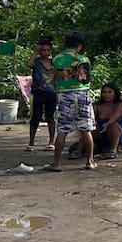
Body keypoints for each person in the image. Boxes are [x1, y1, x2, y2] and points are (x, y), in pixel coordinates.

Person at [46, 33, 96, 171]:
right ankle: (90, 161)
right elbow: (87, 79)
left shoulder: (57, 59)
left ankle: (56, 163)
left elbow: (53, 76)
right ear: (79, 46)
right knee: (86, 129)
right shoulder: (84, 59)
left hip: (65, 95)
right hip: (82, 94)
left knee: (62, 129)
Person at [27, 38, 57, 150]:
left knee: (50, 117)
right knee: (35, 117)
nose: (45, 52)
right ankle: (31, 142)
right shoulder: (37, 62)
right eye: (43, 50)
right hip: (38, 93)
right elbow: (29, 64)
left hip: (51, 93)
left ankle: (51, 141)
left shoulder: (54, 62)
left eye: (48, 50)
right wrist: (35, 52)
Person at [92, 82, 122, 159]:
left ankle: (113, 151)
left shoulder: (120, 104)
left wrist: (107, 124)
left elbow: (116, 117)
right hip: (101, 135)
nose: (107, 95)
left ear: (115, 93)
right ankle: (80, 151)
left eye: (110, 92)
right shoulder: (97, 105)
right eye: (104, 92)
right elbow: (91, 119)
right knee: (87, 129)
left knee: (113, 125)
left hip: (118, 135)